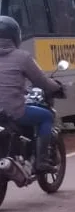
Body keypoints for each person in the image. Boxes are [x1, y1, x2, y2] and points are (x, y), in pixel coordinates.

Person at [0, 15, 63, 172]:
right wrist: (56, 87)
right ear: (16, 36)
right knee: (46, 116)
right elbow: (41, 81)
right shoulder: (22, 57)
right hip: (13, 111)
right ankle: (41, 161)